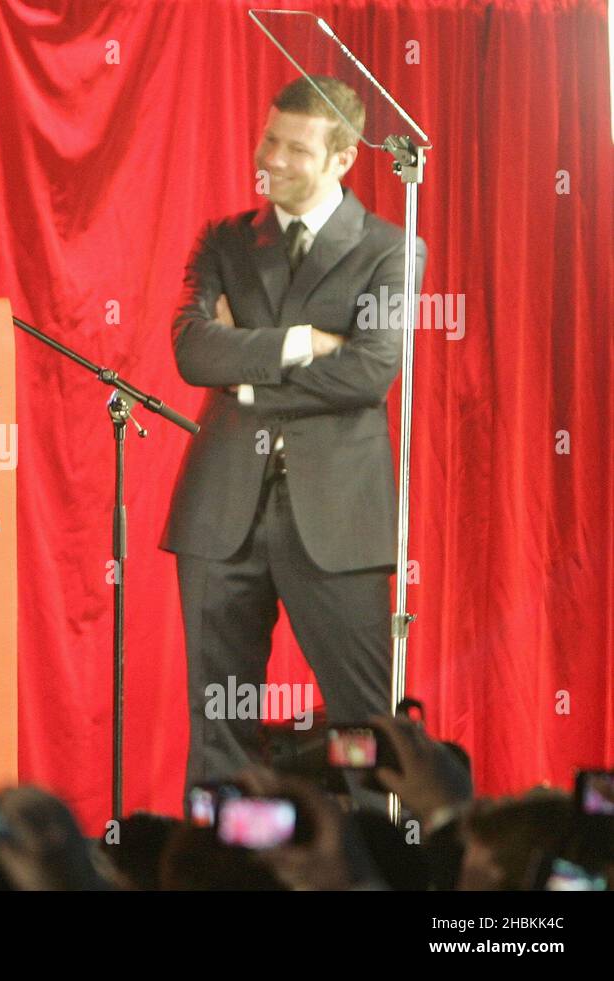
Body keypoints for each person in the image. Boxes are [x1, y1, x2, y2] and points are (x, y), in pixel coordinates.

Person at [160, 76, 427, 798]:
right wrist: (305, 341)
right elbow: (193, 350)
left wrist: (245, 371)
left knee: (368, 731)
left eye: (295, 147)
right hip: (219, 512)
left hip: (339, 517)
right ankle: (216, 875)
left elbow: (369, 373)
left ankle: (368, 872)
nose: (270, 157)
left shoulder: (390, 249)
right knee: (219, 727)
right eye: (269, 137)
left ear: (342, 158)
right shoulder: (225, 239)